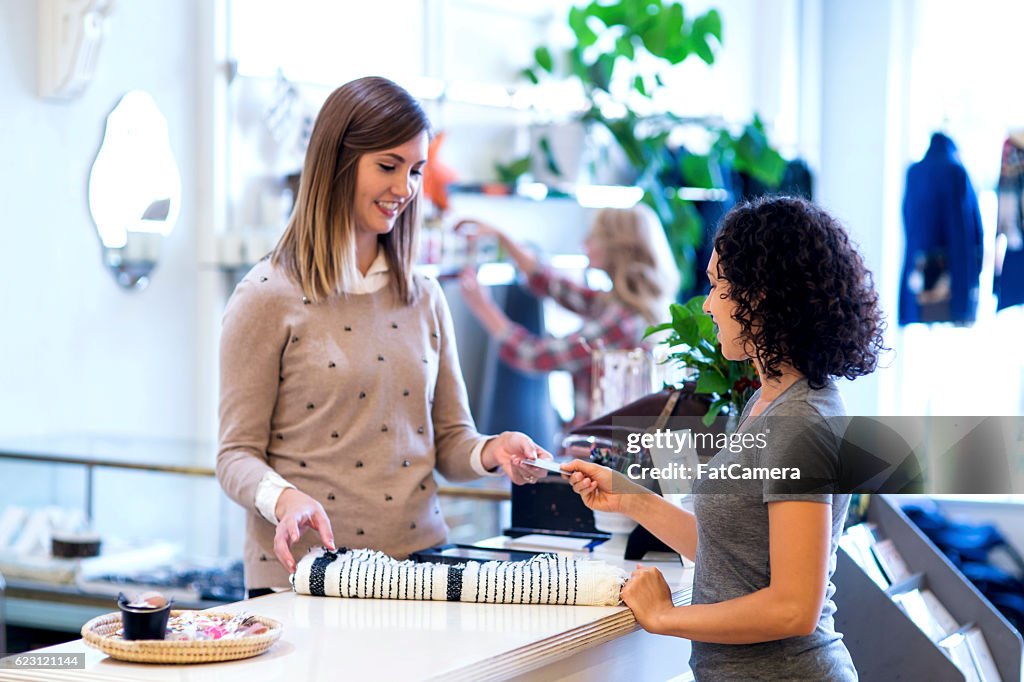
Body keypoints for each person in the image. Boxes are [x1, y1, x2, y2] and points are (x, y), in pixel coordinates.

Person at [216, 77, 550, 596]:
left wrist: (493, 451)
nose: (406, 188)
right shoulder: (266, 295)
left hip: (418, 573)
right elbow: (235, 455)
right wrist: (285, 500)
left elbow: (450, 443)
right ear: (338, 163)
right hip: (305, 579)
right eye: (388, 166)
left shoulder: (423, 296)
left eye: (415, 170)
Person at [562, 196, 886, 681]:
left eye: (719, 287)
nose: (709, 305)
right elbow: (732, 555)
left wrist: (665, 618)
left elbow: (793, 608)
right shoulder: (769, 400)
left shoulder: (799, 422)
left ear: (762, 296)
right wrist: (630, 497)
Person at [457, 203, 681, 425]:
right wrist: (503, 238)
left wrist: (481, 306)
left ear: (616, 249)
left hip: (599, 450)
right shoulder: (629, 307)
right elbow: (556, 285)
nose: (585, 243)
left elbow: (535, 356)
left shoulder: (621, 322)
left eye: (593, 237)